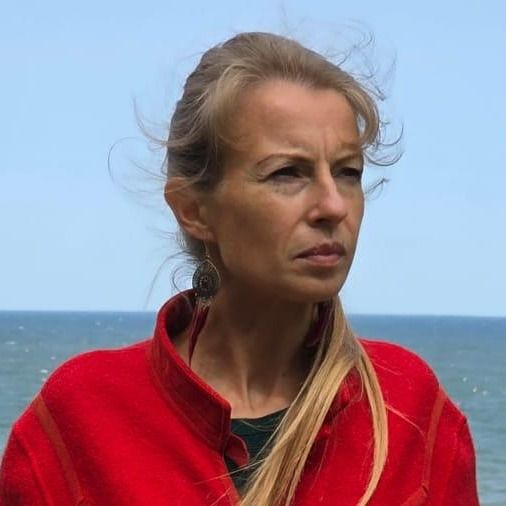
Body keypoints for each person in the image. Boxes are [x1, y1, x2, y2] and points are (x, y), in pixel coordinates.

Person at [0, 32, 478, 505]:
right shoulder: (80, 419)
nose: (334, 205)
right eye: (287, 173)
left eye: (348, 172)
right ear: (193, 210)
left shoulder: (410, 411)